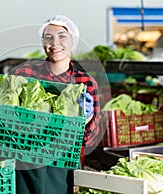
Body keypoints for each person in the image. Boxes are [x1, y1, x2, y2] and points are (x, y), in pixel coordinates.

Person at [10, 15, 100, 194]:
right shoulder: (24, 72)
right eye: (48, 38)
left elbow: (91, 140)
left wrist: (88, 118)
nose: (55, 43)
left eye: (62, 36)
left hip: (63, 164)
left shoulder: (86, 82)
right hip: (26, 161)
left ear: (73, 41)